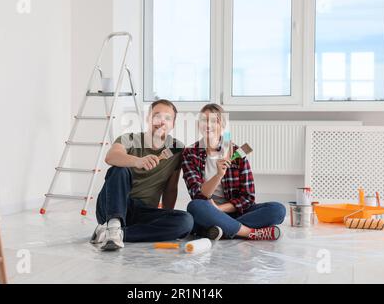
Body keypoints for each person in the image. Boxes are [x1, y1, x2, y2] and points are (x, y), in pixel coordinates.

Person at [91, 100, 193, 251]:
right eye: (157, 116)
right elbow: (111, 156)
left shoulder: (176, 148)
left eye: (168, 118)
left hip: (142, 211)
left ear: (173, 124)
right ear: (148, 118)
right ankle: (113, 224)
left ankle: (117, 234)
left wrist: (166, 215)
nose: (161, 122)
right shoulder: (129, 139)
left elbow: (171, 188)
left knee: (185, 221)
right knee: (119, 169)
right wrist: (137, 161)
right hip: (112, 205)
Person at [182, 104, 286, 241]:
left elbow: (248, 198)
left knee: (278, 210)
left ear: (222, 125)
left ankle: (220, 230)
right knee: (195, 207)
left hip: (235, 212)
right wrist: (218, 175)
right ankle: (248, 232)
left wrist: (220, 210)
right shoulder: (190, 153)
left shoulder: (237, 152)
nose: (208, 125)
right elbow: (199, 195)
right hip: (207, 211)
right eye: (204, 120)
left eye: (214, 121)